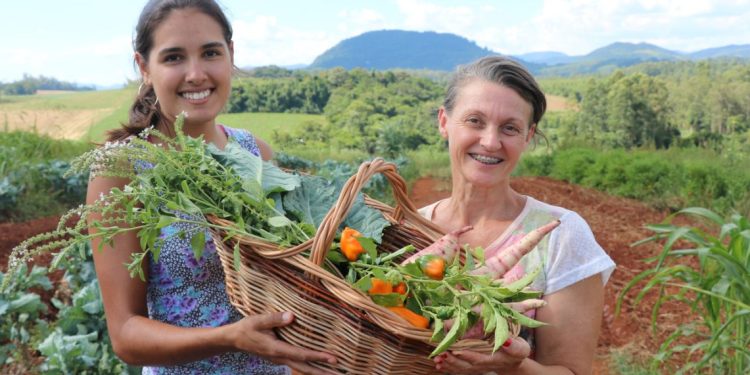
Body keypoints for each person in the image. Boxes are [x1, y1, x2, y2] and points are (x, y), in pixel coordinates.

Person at [87, 1, 337, 374]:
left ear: (230, 54)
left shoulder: (255, 153)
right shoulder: (123, 168)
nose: (196, 73)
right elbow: (125, 334)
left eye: (210, 53)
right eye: (173, 57)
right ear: (144, 67)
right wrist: (228, 337)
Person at [425, 56, 616, 374]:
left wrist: (514, 368)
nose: (490, 141)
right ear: (444, 122)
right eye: (475, 121)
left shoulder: (560, 234)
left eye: (510, 128)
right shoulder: (402, 226)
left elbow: (572, 371)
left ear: (528, 136)